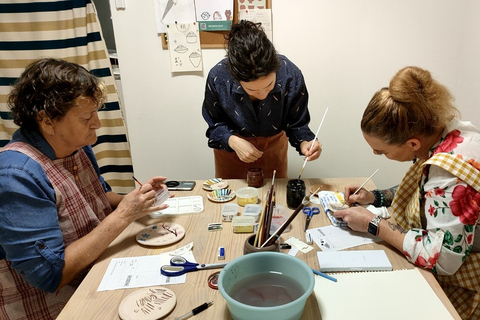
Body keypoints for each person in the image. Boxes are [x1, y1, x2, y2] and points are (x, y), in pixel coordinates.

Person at [0, 58, 169, 319]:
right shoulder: (16, 175)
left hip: (95, 273)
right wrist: (124, 214)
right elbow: (50, 275)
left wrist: (136, 200)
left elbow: (99, 197)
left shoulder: (76, 146)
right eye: (86, 117)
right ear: (47, 120)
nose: (97, 124)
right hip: (53, 305)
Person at [333, 66, 480, 319]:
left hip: (465, 283)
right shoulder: (452, 132)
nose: (377, 155)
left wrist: (374, 224)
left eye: (381, 151)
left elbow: (444, 259)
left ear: (413, 144)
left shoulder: (450, 173)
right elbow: (424, 194)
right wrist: (374, 197)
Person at [201, 20, 321, 179]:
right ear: (235, 77)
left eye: (269, 85)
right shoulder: (219, 77)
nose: (263, 95)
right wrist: (231, 140)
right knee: (232, 200)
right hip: (232, 153)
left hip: (274, 151)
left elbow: (297, 124)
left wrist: (305, 143)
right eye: (251, 89)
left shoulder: (290, 74)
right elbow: (215, 125)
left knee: (274, 199)